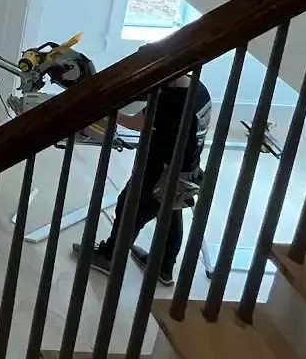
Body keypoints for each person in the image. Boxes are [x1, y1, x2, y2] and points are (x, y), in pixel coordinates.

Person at [72, 69, 212, 286]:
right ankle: (163, 267)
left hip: (160, 171)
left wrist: (106, 110)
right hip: (187, 169)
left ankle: (110, 258)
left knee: (129, 208)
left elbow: (135, 123)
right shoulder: (199, 89)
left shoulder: (171, 101)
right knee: (170, 214)